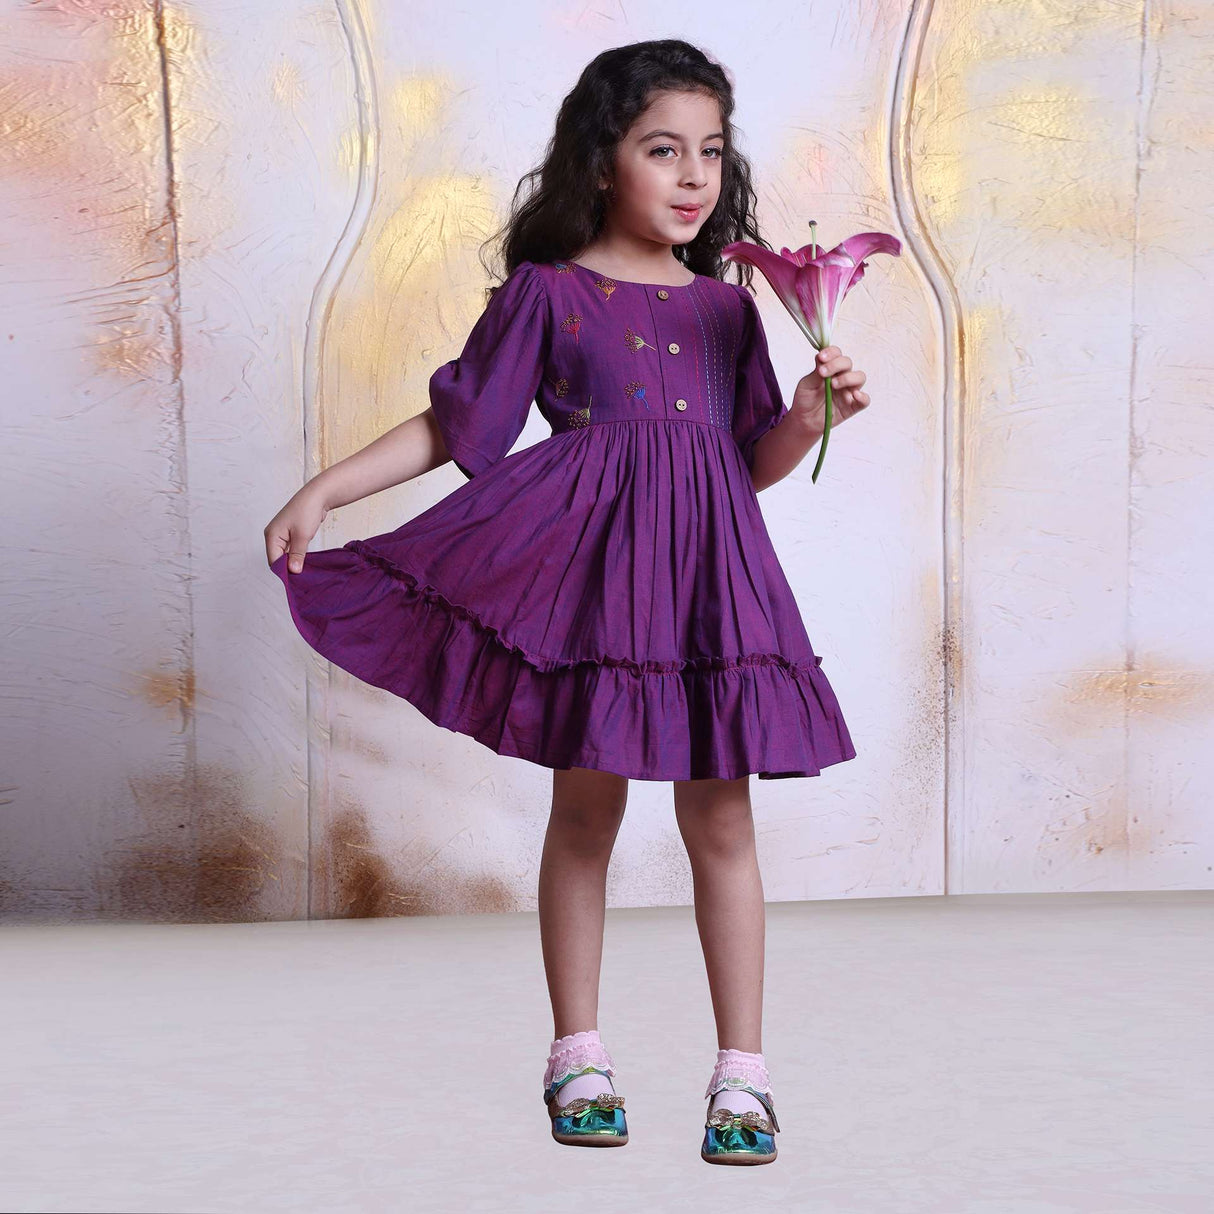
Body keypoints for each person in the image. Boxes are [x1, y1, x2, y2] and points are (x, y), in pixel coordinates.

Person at [264, 38, 871, 1165]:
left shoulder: (728, 310)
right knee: (586, 817)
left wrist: (804, 415)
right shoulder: (547, 294)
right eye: (662, 149)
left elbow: (743, 466)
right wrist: (326, 487)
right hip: (599, 592)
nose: (693, 175)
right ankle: (577, 1055)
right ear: (601, 161)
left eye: (710, 152)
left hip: (710, 587)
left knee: (722, 820)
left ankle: (743, 1073)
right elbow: (460, 425)